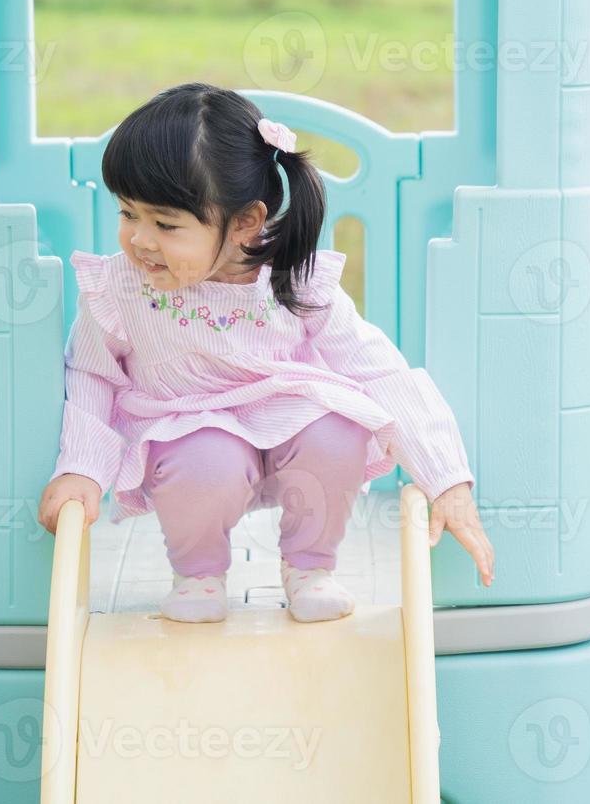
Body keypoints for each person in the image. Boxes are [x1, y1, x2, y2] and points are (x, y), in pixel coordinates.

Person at [37, 82, 494, 624]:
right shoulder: (120, 289)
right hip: (189, 447)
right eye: (127, 213)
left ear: (246, 223)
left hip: (289, 442)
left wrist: (446, 479)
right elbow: (92, 376)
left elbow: (380, 371)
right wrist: (81, 469)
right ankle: (200, 575)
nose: (139, 240)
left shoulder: (293, 283)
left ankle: (309, 566)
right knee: (208, 456)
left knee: (341, 425)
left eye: (165, 224)